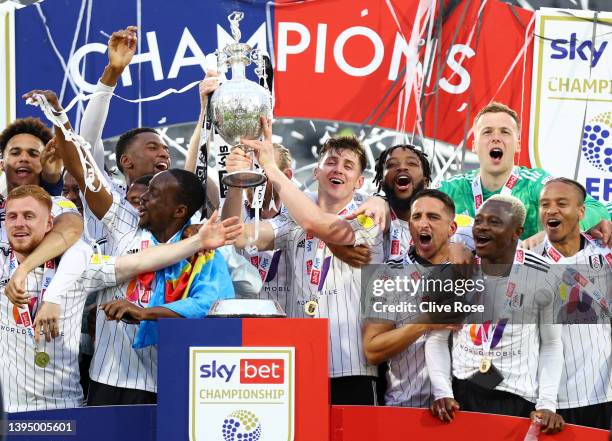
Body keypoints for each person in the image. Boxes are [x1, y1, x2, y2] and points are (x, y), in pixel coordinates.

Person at [0, 185, 240, 412]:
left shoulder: (80, 269)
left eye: (29, 216)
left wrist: (198, 241)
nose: (19, 224)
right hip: (8, 409)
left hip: (64, 405)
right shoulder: (3, 266)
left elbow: (141, 260)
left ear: (50, 223)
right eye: (13, 217)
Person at [223, 121, 383, 405]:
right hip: (298, 363)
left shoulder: (368, 215)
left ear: (359, 182)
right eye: (331, 162)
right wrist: (237, 181)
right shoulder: (291, 219)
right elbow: (238, 236)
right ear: (316, 172)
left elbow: (323, 226)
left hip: (351, 365)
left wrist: (270, 168)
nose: (338, 169)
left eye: (348, 166)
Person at [426, 195, 565, 434]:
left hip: (517, 398)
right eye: (479, 220)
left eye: (494, 222)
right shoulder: (454, 272)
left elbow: (551, 344)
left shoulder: (544, 275)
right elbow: (436, 338)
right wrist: (442, 392)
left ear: (516, 232)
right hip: (461, 395)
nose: (482, 227)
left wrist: (547, 404)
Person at [435, 102, 610, 246]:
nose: (496, 138)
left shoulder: (536, 185)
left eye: (505, 132)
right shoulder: (450, 189)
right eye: (487, 132)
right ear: (474, 145)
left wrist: (552, 233)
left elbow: (597, 209)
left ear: (517, 144)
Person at [363, 189, 463, 408]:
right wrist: (425, 322)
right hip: (406, 409)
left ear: (452, 228)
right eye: (416, 217)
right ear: (409, 226)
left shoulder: (471, 269)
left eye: (433, 217)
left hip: (467, 409)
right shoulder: (388, 274)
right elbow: (372, 350)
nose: (423, 224)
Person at [534, 178, 611, 429]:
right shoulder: (528, 262)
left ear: (581, 212)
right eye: (544, 204)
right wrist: (545, 403)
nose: (551, 210)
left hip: (607, 396)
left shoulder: (605, 254)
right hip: (555, 402)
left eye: (561, 203)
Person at [0, 117, 63, 197]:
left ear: (45, 163)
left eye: (33, 154)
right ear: (2, 164)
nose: (24, 158)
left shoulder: (58, 206)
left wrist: (52, 176)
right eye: (15, 153)